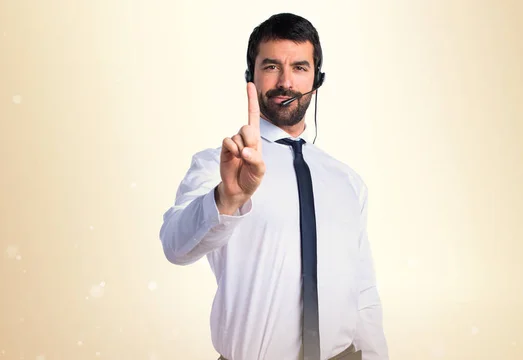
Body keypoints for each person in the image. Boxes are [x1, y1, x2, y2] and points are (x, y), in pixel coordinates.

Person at [159, 13, 389, 360]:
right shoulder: (219, 165)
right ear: (251, 77)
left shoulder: (347, 181)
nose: (286, 82)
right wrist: (227, 198)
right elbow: (175, 247)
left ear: (317, 78)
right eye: (271, 67)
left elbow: (364, 291)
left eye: (299, 67)